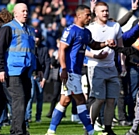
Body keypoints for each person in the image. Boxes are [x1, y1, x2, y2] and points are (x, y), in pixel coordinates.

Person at [45, 5, 115, 135]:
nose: (90, 17)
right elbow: (62, 49)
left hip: (76, 70)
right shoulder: (71, 30)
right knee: (81, 100)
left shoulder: (86, 32)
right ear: (79, 15)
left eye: (90, 15)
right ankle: (90, 131)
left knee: (65, 101)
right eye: (87, 15)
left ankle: (51, 131)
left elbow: (93, 45)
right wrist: (64, 69)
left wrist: (106, 43)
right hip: (70, 70)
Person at [0, 3, 36, 135]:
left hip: (26, 71)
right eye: (23, 11)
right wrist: (0, 69)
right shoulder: (8, 28)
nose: (25, 13)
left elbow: (32, 50)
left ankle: (18, 128)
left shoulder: (29, 29)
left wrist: (38, 68)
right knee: (19, 100)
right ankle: (18, 132)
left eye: (27, 11)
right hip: (13, 71)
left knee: (25, 99)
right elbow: (0, 50)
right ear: (15, 13)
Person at [85, 2, 125, 134]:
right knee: (99, 99)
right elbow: (82, 49)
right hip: (95, 67)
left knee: (111, 100)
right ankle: (89, 127)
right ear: (95, 13)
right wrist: (96, 56)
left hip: (111, 67)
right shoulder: (90, 28)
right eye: (102, 11)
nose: (105, 13)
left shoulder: (115, 26)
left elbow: (120, 48)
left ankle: (108, 129)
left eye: (106, 11)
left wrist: (122, 65)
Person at [25, 28, 51, 124]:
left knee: (40, 97)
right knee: (30, 96)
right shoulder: (29, 47)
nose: (36, 39)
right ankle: (28, 116)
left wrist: (44, 78)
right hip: (31, 75)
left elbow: (47, 64)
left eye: (37, 37)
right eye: (35, 37)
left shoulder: (44, 49)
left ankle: (38, 117)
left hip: (40, 76)